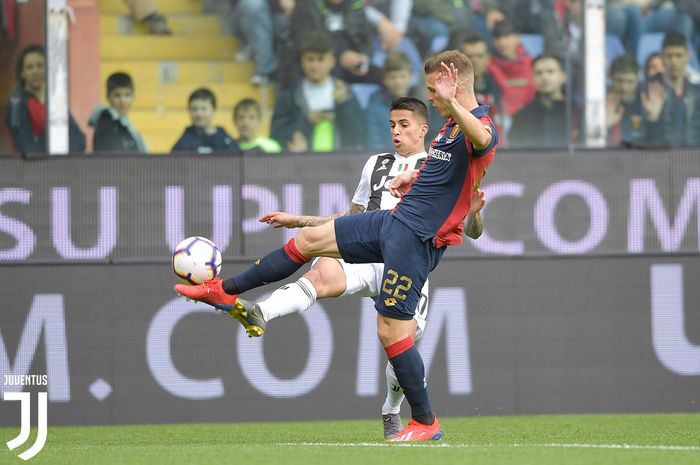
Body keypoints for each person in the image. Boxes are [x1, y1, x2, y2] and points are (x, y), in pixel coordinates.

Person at [175, 49, 498, 441]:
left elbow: (483, 140)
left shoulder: (478, 124)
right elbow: (439, 176)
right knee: (309, 240)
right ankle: (223, 292)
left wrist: (450, 103)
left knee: (392, 332)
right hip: (393, 222)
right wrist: (410, 180)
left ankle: (425, 421)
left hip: (415, 242)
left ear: (456, 85)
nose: (431, 97)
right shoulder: (447, 131)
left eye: (435, 90)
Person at [218, 108, 484, 439]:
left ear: (423, 130)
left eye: (404, 125)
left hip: (408, 259)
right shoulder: (377, 164)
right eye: (391, 125)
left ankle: (391, 409)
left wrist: (474, 212)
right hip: (367, 247)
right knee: (319, 276)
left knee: (401, 342)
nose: (396, 132)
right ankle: (261, 312)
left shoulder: (442, 164)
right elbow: (351, 216)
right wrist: (299, 221)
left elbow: (472, 229)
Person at [270, 31, 366, 153]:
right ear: (302, 62)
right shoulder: (288, 97)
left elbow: (360, 137)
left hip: (341, 166)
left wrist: (343, 105)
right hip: (301, 167)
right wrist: (306, 121)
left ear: (332, 62)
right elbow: (276, 136)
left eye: (320, 60)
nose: (315, 66)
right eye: (310, 59)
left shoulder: (346, 94)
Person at [5, 44, 85, 155]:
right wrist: (58, 145)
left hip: (59, 166)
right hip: (28, 169)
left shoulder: (56, 103)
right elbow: (25, 146)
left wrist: (52, 146)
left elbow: (79, 139)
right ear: (22, 73)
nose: (35, 71)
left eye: (40, 65)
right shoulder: (16, 104)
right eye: (29, 67)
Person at [641, 31, 700, 146]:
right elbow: (637, 141)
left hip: (694, 159)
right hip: (660, 160)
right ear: (661, 57)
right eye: (669, 56)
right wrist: (652, 119)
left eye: (678, 56)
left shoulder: (697, 94)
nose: (674, 62)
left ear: (688, 56)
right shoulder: (647, 91)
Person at [508, 54, 576, 148]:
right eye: (539, 73)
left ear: (563, 77)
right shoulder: (523, 115)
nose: (544, 77)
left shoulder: (576, 112)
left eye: (550, 72)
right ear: (532, 78)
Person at [487, 20, 536, 119]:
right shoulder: (488, 66)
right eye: (497, 38)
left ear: (517, 38)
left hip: (532, 118)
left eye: (507, 36)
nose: (502, 42)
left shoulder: (532, 64)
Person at [88, 72, 147, 154]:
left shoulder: (125, 123)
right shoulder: (106, 123)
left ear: (133, 96)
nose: (123, 101)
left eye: (127, 95)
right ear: (108, 97)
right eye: (117, 95)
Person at [171, 88, 241, 154]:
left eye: (203, 109)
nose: (199, 114)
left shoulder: (225, 140)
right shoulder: (183, 142)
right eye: (194, 109)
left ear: (213, 109)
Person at [606, 55, 648, 146]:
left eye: (629, 82)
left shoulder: (645, 105)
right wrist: (604, 126)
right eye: (619, 81)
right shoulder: (600, 105)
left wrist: (653, 118)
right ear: (610, 77)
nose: (624, 87)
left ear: (637, 80)